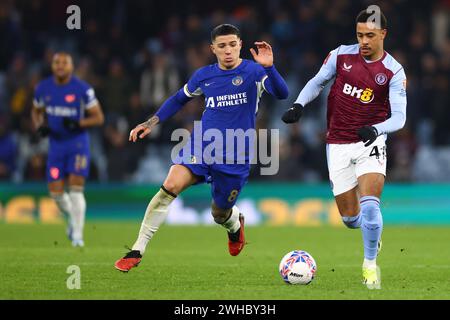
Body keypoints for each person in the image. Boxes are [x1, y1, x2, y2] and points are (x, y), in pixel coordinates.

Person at [115, 24, 289, 272]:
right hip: (203, 145)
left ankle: (234, 225)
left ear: (240, 44)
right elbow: (178, 99)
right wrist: (151, 122)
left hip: (236, 154)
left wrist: (270, 68)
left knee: (219, 213)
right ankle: (137, 249)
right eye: (222, 46)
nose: (228, 50)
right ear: (213, 49)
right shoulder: (203, 76)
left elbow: (282, 94)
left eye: (232, 44)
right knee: (170, 186)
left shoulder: (253, 72)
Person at [282, 8, 407, 289]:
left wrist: (377, 130)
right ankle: (370, 232)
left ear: (383, 35)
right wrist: (299, 105)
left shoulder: (393, 71)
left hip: (370, 142)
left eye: (370, 36)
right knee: (352, 219)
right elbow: (318, 81)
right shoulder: (340, 55)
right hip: (337, 143)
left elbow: (400, 117)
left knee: (371, 206)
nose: (363, 41)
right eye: (360, 35)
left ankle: (370, 265)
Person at [31, 52, 104, 247]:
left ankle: (78, 236)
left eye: (65, 62)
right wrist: (39, 125)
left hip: (77, 144)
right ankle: (73, 217)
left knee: (76, 188)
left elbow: (98, 117)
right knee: (55, 192)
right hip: (56, 146)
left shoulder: (82, 89)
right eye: (57, 62)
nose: (61, 66)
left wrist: (79, 123)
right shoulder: (42, 88)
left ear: (71, 67)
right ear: (52, 66)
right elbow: (36, 111)